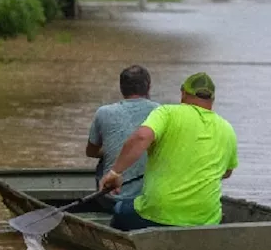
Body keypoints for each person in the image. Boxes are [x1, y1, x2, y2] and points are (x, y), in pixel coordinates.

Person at [100, 72, 238, 231]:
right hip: (206, 219)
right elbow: (226, 172)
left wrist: (115, 173)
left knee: (119, 210)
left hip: (159, 213)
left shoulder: (167, 113)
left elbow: (142, 137)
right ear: (212, 100)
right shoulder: (227, 129)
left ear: (183, 93)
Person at [86, 65, 161, 201]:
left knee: (103, 163)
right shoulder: (161, 112)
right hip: (150, 200)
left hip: (111, 199)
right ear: (148, 87)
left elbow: (91, 152)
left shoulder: (103, 112)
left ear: (121, 88)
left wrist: (118, 150)